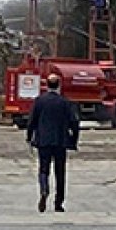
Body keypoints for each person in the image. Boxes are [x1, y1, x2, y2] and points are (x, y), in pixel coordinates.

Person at [26, 74, 80, 213]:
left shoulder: (39, 101)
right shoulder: (65, 102)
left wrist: (29, 137)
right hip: (60, 141)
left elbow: (32, 121)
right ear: (59, 86)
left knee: (43, 169)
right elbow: (74, 122)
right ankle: (58, 203)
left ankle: (44, 190)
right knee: (60, 172)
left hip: (43, 141)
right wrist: (73, 140)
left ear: (47, 85)